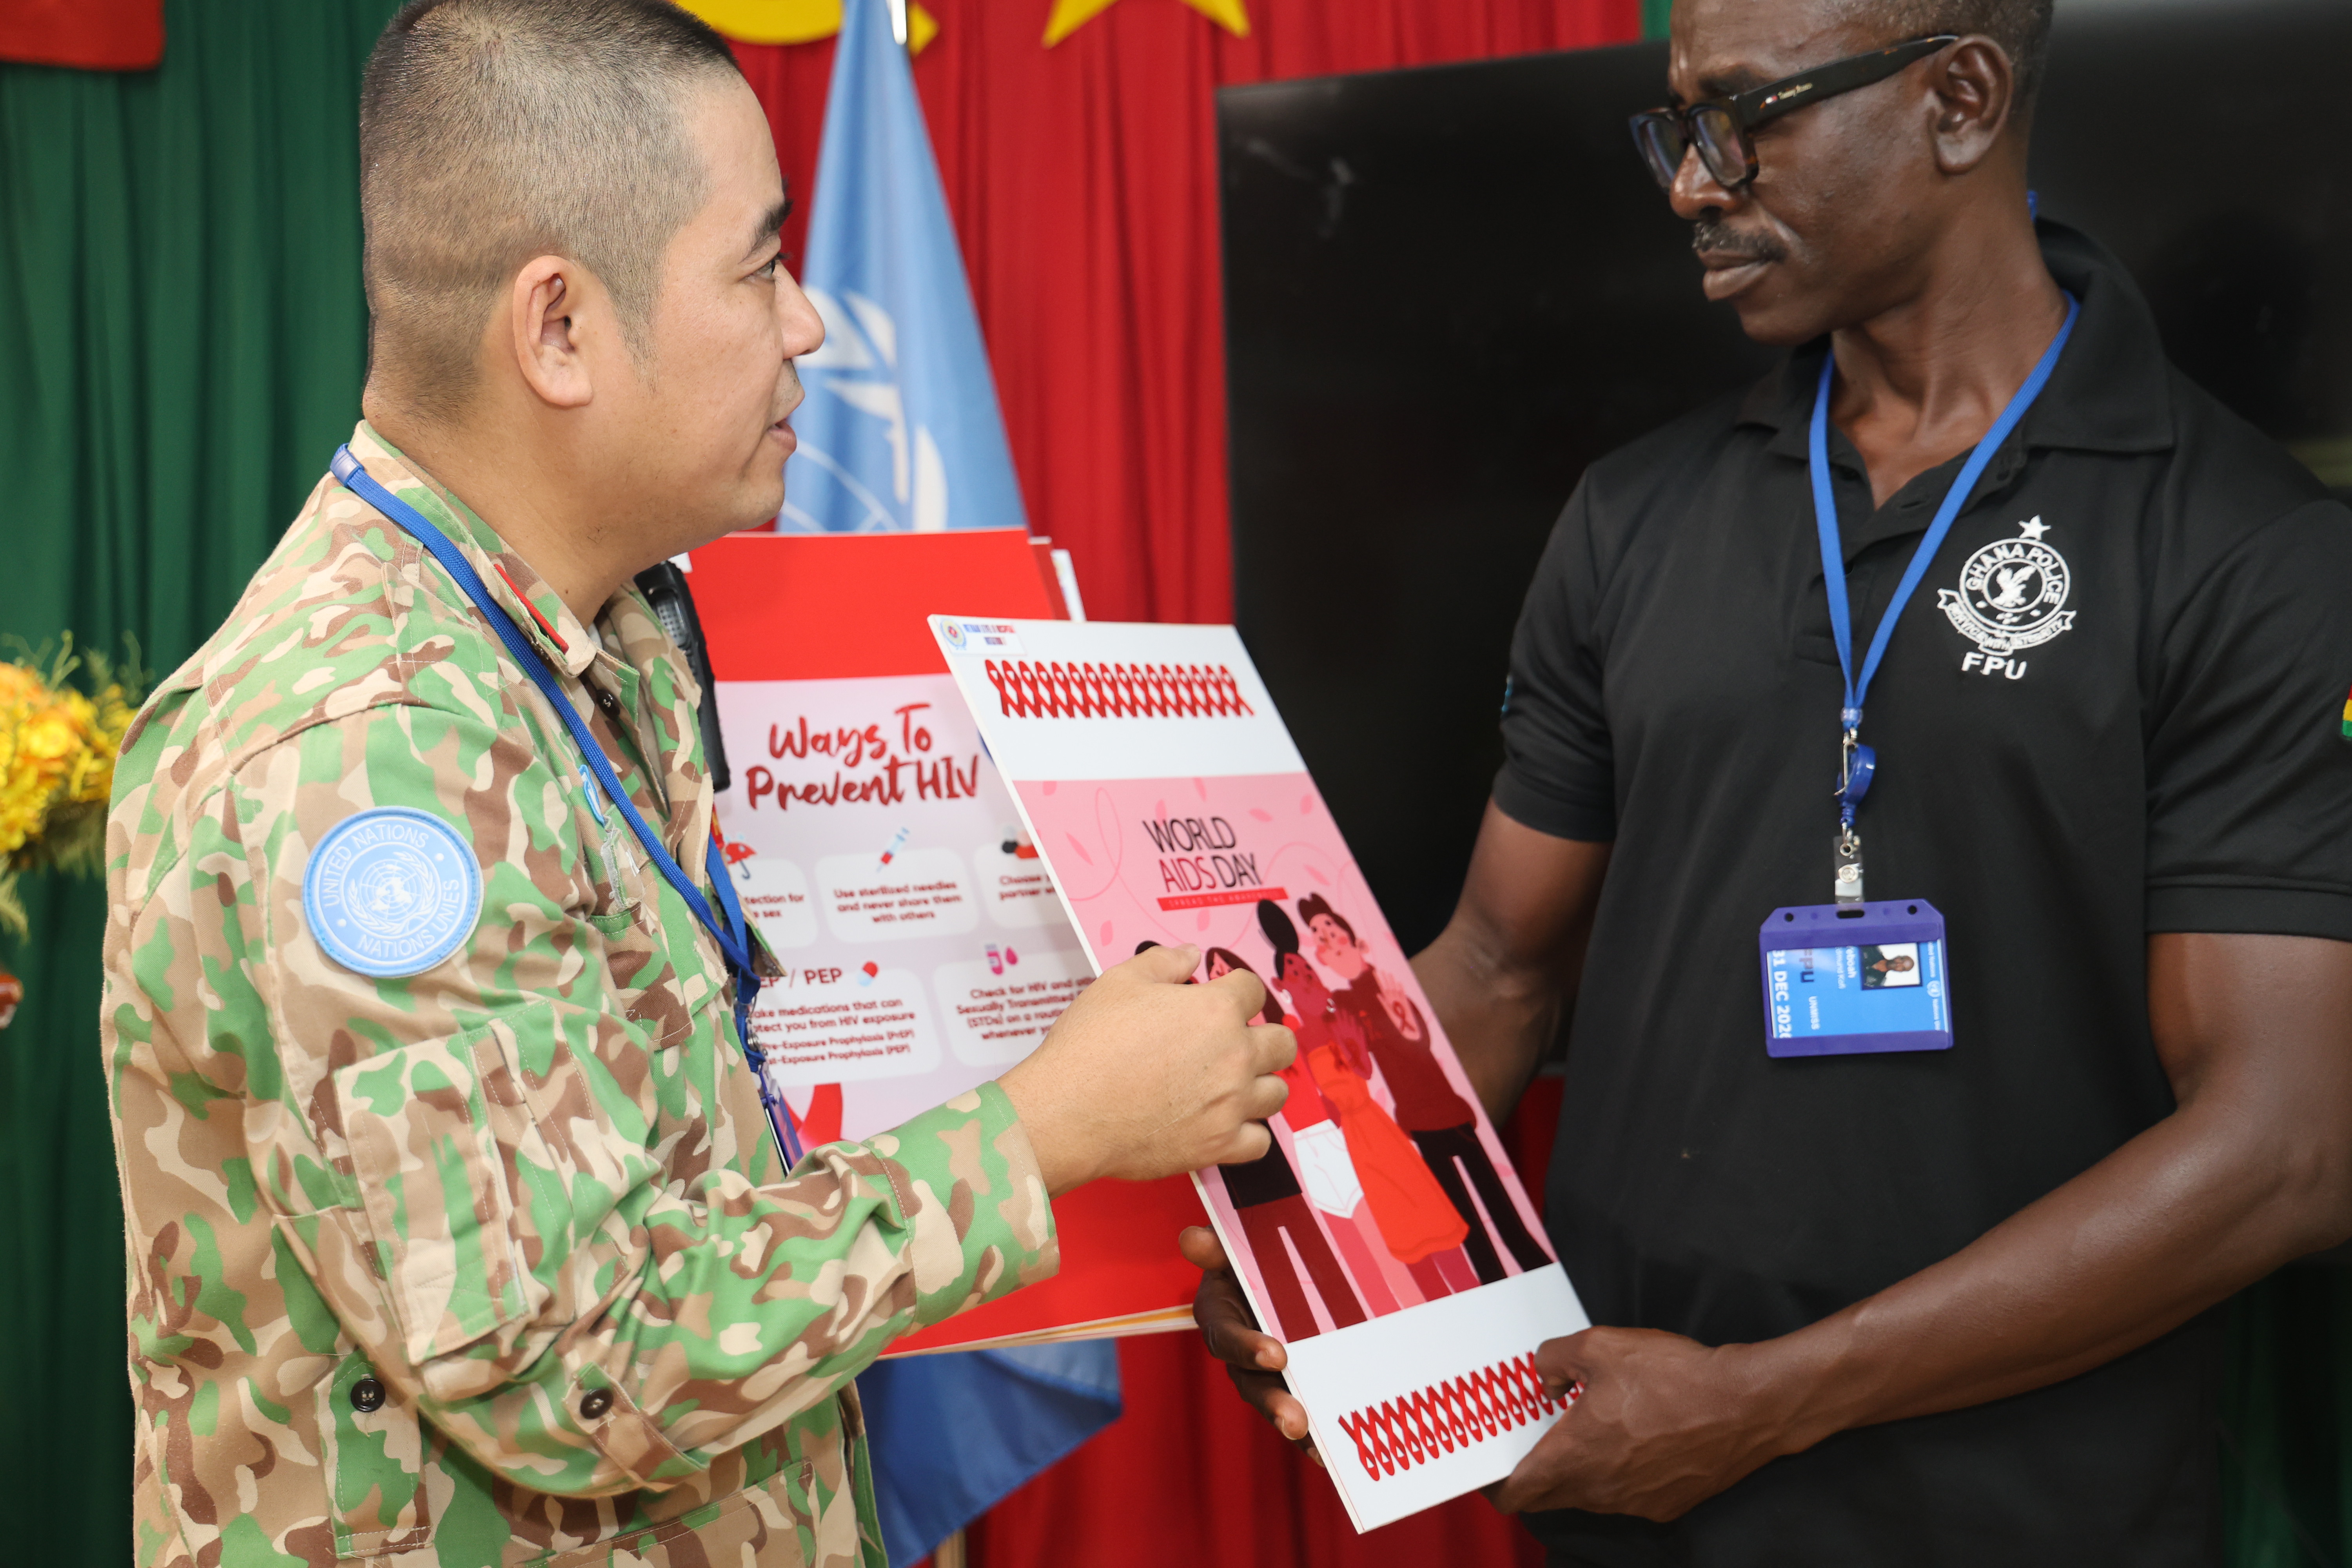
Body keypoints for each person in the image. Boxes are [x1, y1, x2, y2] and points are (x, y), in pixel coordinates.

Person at [98, 6, 1294, 1568]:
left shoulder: (596, 637)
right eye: (758, 267)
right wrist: (1043, 1127)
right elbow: (564, 1363)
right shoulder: (370, 754)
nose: (809, 325)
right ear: (560, 330)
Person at [1187, 0, 2352, 1561]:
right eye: (1679, 126)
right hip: (1636, 1490)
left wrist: (1766, 1400)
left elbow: (2286, 1148)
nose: (1692, 183)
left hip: (2035, 1516)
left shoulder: (2246, 549)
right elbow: (1500, 966)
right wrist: (1310, 1245)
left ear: (1960, 99)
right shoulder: (1633, 518)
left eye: (1745, 117)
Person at [1300, 892, 1552, 1282]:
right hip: (1414, 1119)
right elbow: (1362, 1069)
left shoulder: (1390, 981)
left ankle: (1536, 1278)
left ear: (1355, 940)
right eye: (1320, 937)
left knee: (1498, 1204)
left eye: (1331, 929)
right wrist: (1351, 1047)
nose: (1328, 939)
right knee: (1464, 1221)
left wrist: (1400, 1014)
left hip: (1448, 1105)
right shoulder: (1345, 1002)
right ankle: (1491, 1285)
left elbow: (1420, 1042)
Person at [1200, 945, 1376, 1335]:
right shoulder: (1228, 1054)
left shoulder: (1292, 1027)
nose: (1224, 979)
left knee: (1368, 1236)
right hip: (1296, 1150)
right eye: (1216, 974)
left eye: (1229, 969)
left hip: (1331, 1139)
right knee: (1343, 1240)